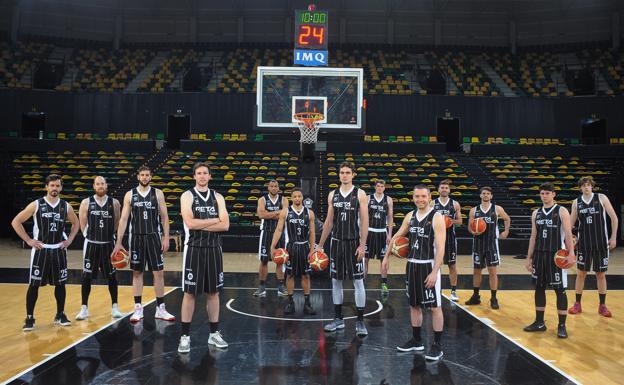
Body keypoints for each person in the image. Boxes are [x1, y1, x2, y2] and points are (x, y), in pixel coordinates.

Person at [383, 185, 446, 361]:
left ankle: (437, 345)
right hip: (412, 265)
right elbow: (396, 236)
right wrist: (386, 257)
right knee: (414, 305)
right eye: (417, 196)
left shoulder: (437, 217)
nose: (420, 199)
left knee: (434, 307)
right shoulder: (410, 216)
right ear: (413, 198)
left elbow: (441, 248)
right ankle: (417, 341)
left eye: (423, 196)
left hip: (428, 266)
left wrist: (435, 272)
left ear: (429, 197)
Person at [11, 174, 79, 330]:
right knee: (34, 285)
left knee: (60, 284)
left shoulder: (65, 206)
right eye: (52, 185)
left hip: (59, 250)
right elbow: (16, 221)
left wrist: (69, 240)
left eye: (57, 186)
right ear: (46, 187)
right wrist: (28, 240)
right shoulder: (36, 204)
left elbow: (76, 224)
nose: (55, 188)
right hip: (41, 250)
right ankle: (29, 318)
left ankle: (60, 314)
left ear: (61, 188)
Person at [112, 166, 175, 323]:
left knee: (159, 273)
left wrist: (166, 237)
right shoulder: (130, 194)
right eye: (142, 175)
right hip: (136, 238)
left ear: (151, 177)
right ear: (138, 177)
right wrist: (118, 242)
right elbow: (124, 219)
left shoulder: (158, 193)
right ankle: (138, 308)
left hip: (154, 237)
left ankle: (160, 308)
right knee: (137, 273)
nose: (145, 177)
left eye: (147, 175)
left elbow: (165, 217)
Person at [178, 163, 230, 353]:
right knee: (190, 293)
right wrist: (215, 219)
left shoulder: (218, 197)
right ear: (194, 176)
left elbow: (226, 226)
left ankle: (214, 334)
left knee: (214, 293)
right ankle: (185, 336)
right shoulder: (187, 196)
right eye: (198, 173)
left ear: (210, 176)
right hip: (194, 249)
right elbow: (190, 223)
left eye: (205, 173)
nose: (202, 176)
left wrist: (205, 224)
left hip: (214, 249)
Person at [317, 161, 369, 336]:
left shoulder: (360, 194)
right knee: (335, 281)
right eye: (342, 172)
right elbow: (329, 222)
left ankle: (360, 321)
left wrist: (363, 245)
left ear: (353, 174)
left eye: (347, 172)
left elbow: (365, 221)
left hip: (354, 243)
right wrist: (320, 245)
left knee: (358, 282)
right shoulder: (333, 195)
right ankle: (338, 319)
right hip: (336, 242)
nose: (344, 175)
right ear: (339, 175)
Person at [523, 182, 575, 338]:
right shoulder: (536, 213)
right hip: (539, 255)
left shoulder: (562, 211)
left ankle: (562, 325)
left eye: (547, 193)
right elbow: (533, 236)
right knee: (539, 288)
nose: (544, 196)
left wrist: (571, 253)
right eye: (542, 193)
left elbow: (568, 234)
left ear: (553, 194)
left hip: (556, 256)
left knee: (560, 290)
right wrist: (529, 257)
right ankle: (539, 322)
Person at [568, 176, 618, 317]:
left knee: (601, 275)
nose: (586, 187)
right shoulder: (576, 202)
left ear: (592, 187)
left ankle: (602, 306)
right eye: (584, 185)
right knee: (580, 274)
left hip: (601, 243)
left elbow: (614, 218)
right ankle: (577, 304)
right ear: (580, 188)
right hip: (584, 244)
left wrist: (613, 237)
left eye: (588, 185)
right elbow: (570, 225)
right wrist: (571, 237)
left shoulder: (601, 198)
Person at [75, 176, 123, 320]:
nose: (100, 186)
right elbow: (82, 223)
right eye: (98, 184)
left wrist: (111, 238)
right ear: (94, 186)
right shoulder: (86, 202)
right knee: (87, 276)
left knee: (112, 277)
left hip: (108, 244)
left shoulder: (114, 203)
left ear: (106, 185)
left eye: (102, 183)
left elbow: (117, 223)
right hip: (91, 244)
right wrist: (89, 237)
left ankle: (115, 307)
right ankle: (84, 308)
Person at [270, 188, 316, 315]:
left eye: (299, 196)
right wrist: (272, 246)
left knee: (305, 275)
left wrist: (312, 249)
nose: (297, 198)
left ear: (302, 197)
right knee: (289, 275)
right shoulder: (285, 212)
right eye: (294, 196)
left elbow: (312, 233)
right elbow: (279, 230)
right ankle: (290, 303)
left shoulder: (309, 213)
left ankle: (307, 304)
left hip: (304, 247)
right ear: (291, 198)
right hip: (290, 247)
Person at [465, 186, 510, 309]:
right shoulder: (474, 210)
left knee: (493, 272)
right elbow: (469, 227)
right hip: (478, 244)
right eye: (483, 193)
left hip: (491, 245)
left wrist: (506, 232)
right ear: (480, 195)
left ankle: (493, 298)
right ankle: (475, 296)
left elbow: (507, 219)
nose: (485, 195)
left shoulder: (497, 209)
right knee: (476, 271)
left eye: (488, 193)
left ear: (491, 196)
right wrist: (473, 230)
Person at [253, 180, 289, 297]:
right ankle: (262, 287)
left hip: (279, 234)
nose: (274, 188)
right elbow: (261, 215)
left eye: (276, 186)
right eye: (271, 186)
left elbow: (285, 215)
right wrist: (278, 213)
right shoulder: (262, 200)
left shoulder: (284, 200)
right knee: (263, 261)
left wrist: (269, 213)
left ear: (278, 188)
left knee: (280, 261)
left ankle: (281, 287)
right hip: (266, 233)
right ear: (268, 187)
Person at [431, 179, 462, 301]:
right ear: (438, 190)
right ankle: (435, 288)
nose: (444, 189)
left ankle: (453, 291)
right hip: (435, 239)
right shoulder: (432, 204)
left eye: (446, 188)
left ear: (449, 190)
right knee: (435, 265)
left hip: (450, 239)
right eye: (442, 187)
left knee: (452, 265)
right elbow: (428, 220)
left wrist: (450, 221)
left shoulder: (455, 204)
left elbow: (460, 222)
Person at [364, 180, 393, 295]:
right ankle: (362, 283)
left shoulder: (389, 200)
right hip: (369, 231)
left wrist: (389, 234)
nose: (380, 188)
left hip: (382, 232)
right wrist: (362, 232)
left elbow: (390, 218)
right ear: (375, 187)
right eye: (378, 186)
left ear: (384, 188)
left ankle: (384, 284)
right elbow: (362, 216)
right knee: (365, 260)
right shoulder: (368, 198)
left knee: (384, 260)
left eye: (382, 186)